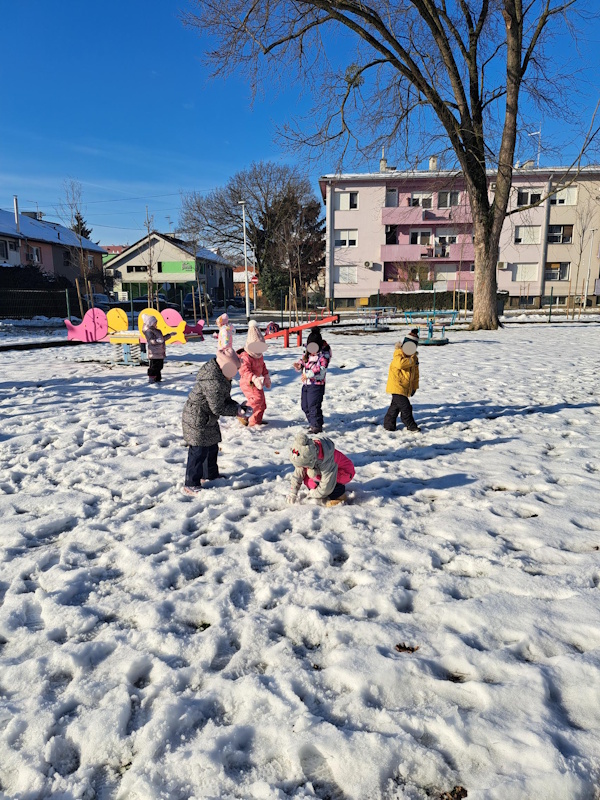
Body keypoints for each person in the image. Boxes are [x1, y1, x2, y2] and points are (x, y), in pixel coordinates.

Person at [181, 347, 252, 494]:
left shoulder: (221, 377)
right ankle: (191, 482)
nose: (235, 373)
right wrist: (236, 411)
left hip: (207, 418)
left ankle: (210, 474)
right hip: (197, 418)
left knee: (212, 445)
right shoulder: (213, 382)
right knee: (198, 450)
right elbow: (218, 407)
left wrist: (238, 407)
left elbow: (224, 400)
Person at [286, 432, 355, 507]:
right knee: (310, 482)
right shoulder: (305, 452)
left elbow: (327, 482)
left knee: (319, 480)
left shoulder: (325, 460)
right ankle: (322, 491)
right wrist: (293, 492)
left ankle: (339, 496)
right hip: (322, 469)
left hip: (344, 472)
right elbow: (298, 473)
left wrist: (315, 494)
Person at [293, 327, 331, 434]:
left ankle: (316, 426)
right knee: (305, 406)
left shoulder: (323, 356)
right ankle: (313, 422)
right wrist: (299, 365)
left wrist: (308, 374)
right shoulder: (307, 354)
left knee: (313, 405)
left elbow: (322, 369)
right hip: (306, 384)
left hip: (316, 385)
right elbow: (304, 362)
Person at [383, 328, 421, 432]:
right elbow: (400, 364)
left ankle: (388, 424)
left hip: (405, 387)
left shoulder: (414, 358)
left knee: (395, 407)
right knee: (406, 407)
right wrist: (411, 360)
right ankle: (410, 424)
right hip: (397, 386)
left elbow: (416, 374)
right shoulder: (398, 354)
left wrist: (414, 387)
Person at [238, 320, 271, 427]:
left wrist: (266, 376)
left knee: (262, 404)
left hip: (257, 382)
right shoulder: (245, 357)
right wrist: (254, 378)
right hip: (248, 382)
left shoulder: (259, 355)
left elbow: (262, 366)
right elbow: (244, 371)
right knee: (257, 400)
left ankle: (255, 421)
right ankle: (242, 412)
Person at [141, 314, 166, 383]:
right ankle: (151, 377)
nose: (156, 323)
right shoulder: (149, 331)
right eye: (155, 322)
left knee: (159, 366)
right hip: (154, 352)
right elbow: (151, 340)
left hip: (159, 351)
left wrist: (169, 335)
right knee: (155, 366)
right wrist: (158, 341)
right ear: (151, 323)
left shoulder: (155, 330)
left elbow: (162, 339)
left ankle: (157, 378)